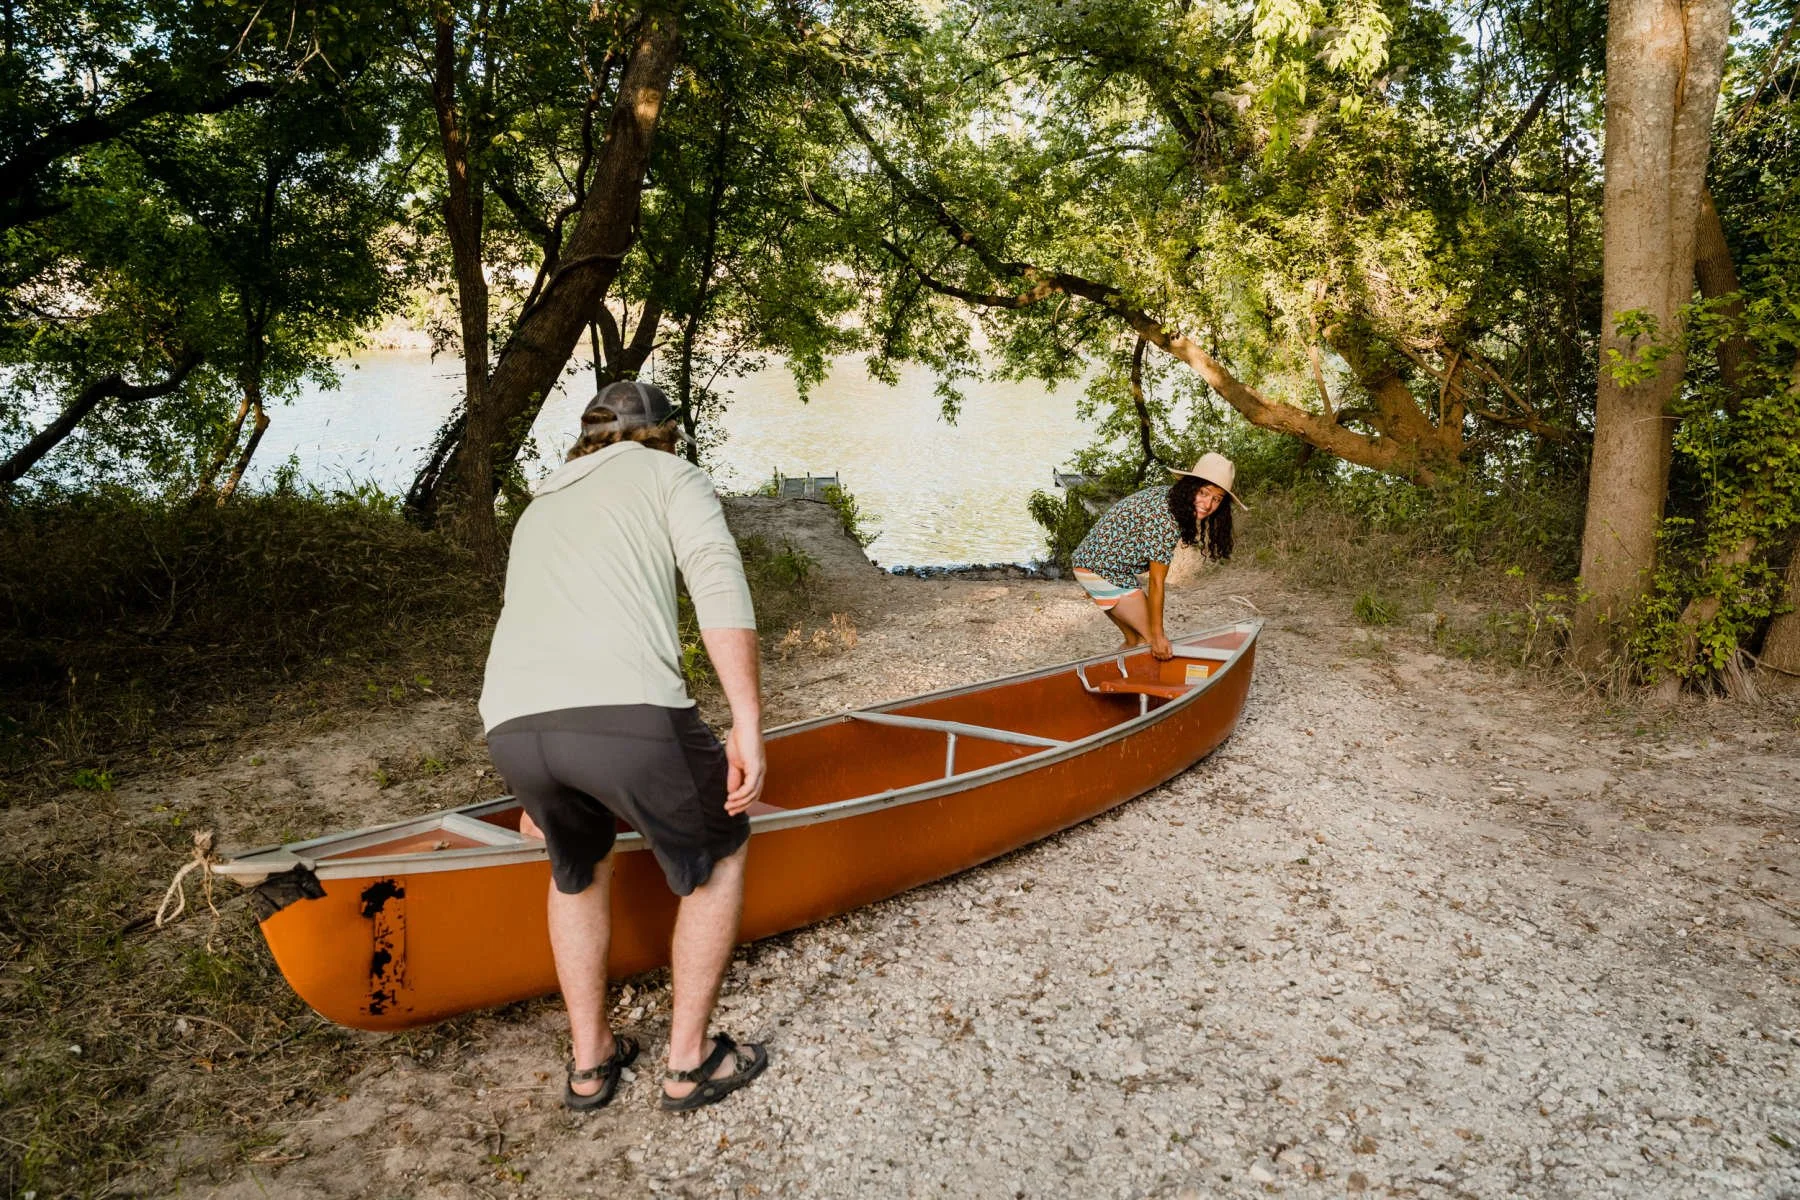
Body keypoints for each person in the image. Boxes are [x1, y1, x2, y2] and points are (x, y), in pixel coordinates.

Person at [479, 379, 768, 1113]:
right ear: (665, 435)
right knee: (722, 848)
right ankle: (689, 1061)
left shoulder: (540, 502)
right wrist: (746, 722)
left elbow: (532, 621)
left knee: (576, 868)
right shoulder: (675, 476)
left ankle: (590, 1062)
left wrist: (539, 782)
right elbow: (718, 587)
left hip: (512, 724)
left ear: (590, 436)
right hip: (627, 715)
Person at [1068, 452, 1245, 659]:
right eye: (1204, 493)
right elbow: (1157, 582)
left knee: (1135, 641)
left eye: (1216, 499)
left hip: (1098, 566)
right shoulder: (1166, 518)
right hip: (1100, 569)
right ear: (1191, 487)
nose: (1207, 505)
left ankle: (1106, 683)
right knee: (1149, 642)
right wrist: (1159, 636)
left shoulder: (1172, 498)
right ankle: (1113, 685)